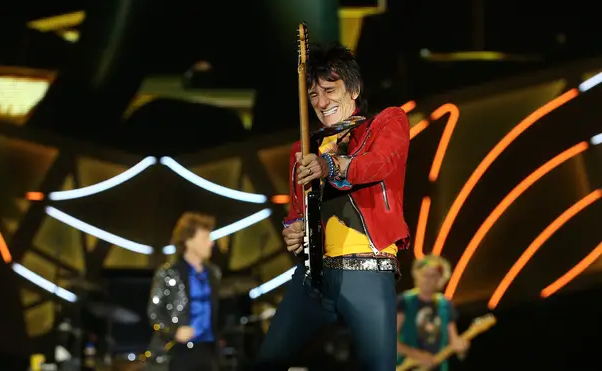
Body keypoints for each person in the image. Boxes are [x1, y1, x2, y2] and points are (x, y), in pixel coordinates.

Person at [253, 43, 411, 371]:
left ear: (353, 89)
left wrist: (329, 165)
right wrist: (293, 229)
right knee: (268, 362)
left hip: (366, 269)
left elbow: (378, 164)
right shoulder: (304, 147)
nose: (322, 102)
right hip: (314, 277)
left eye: (329, 89)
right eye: (313, 95)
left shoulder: (385, 123)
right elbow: (297, 211)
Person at [147, 212, 221, 371]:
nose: (211, 243)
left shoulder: (213, 273)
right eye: (205, 238)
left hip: (207, 350)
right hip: (178, 351)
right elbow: (154, 312)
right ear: (189, 241)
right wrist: (174, 331)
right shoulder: (168, 273)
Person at [397, 255, 469, 371]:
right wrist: (417, 355)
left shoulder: (445, 305)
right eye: (425, 275)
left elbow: (453, 339)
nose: (428, 280)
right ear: (416, 275)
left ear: (441, 280)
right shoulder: (405, 302)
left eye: (434, 276)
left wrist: (461, 348)